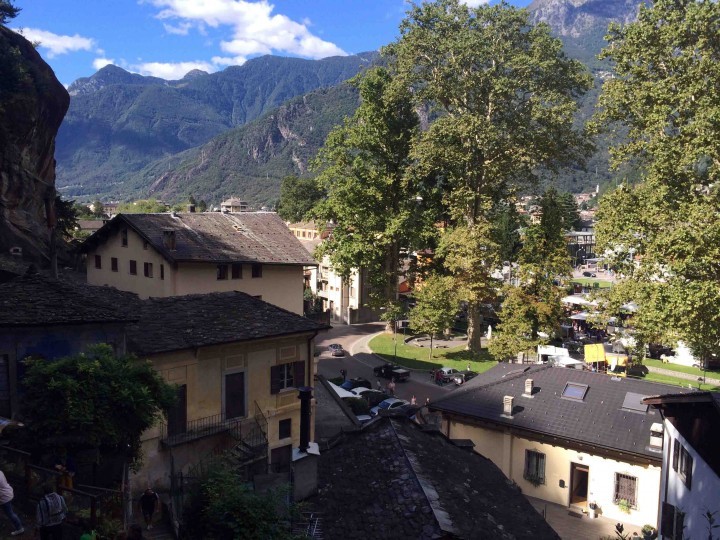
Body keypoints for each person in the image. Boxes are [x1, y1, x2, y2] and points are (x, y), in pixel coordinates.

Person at [0, 470, 24, 536]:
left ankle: (19, 528)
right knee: (9, 512)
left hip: (4, 497)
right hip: (6, 494)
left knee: (10, 513)